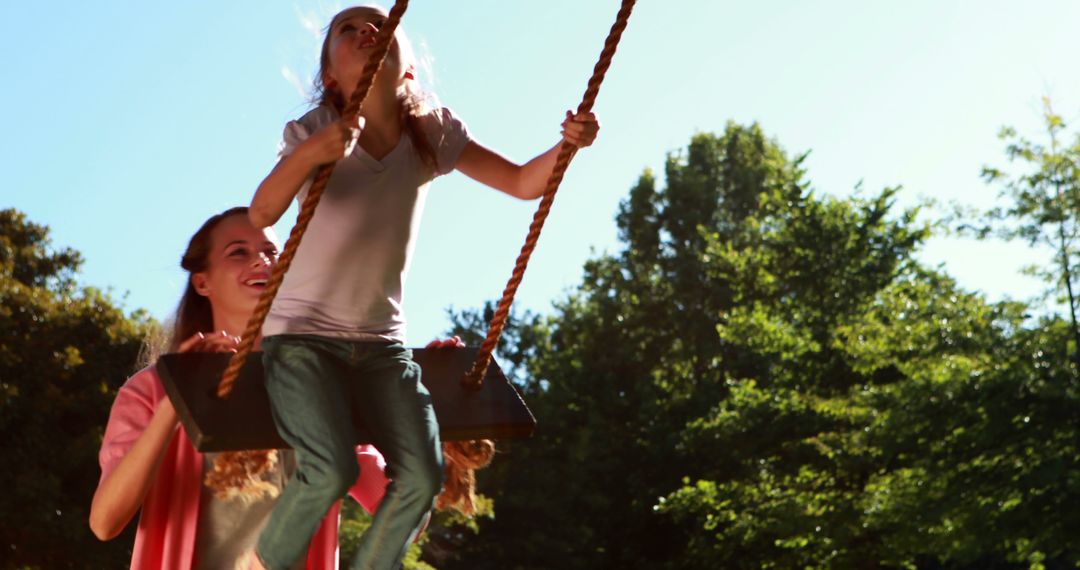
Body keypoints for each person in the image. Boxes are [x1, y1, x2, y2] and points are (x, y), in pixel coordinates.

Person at [245, 5, 600, 569]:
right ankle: (266, 563)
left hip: (382, 347)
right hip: (302, 340)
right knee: (331, 467)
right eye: (348, 28)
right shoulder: (312, 130)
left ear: (407, 69)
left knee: (423, 475)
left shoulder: (430, 132)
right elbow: (263, 212)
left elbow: (520, 182)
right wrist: (314, 153)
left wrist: (568, 146)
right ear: (330, 76)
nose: (368, 30)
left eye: (381, 26)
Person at [89, 207, 453, 569]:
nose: (261, 262)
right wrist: (174, 404)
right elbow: (105, 522)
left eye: (272, 252)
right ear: (203, 282)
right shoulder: (151, 389)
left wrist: (423, 404)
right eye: (238, 252)